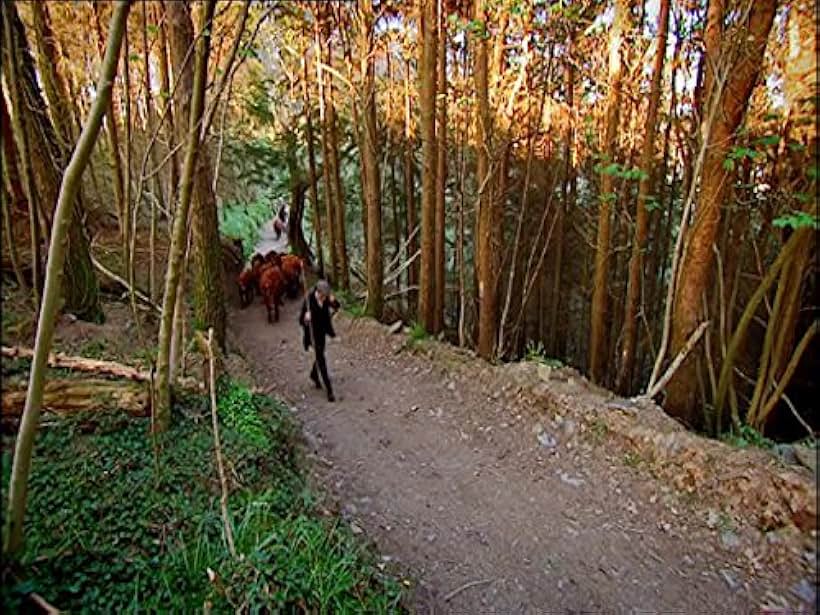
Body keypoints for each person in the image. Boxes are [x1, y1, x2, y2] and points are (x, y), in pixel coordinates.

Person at [299, 279, 341, 401]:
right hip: (312, 335)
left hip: (322, 333)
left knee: (320, 355)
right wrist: (306, 319)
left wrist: (334, 301)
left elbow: (337, 307)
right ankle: (329, 390)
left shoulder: (326, 298)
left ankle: (313, 375)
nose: (324, 299)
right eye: (322, 296)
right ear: (317, 292)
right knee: (321, 359)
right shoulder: (308, 301)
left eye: (325, 297)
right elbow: (301, 321)